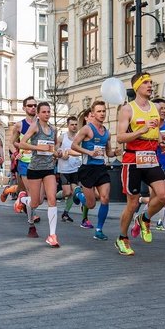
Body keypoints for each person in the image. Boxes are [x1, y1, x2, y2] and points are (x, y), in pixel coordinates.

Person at [115, 72, 165, 256]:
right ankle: (122, 238)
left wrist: (160, 141)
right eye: (146, 82)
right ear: (137, 86)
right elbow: (121, 137)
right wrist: (142, 130)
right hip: (132, 159)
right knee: (132, 203)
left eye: (151, 82)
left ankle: (144, 218)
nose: (150, 85)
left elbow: (156, 130)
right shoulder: (127, 109)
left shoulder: (155, 107)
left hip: (151, 156)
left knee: (163, 195)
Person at [132, 98, 165, 247]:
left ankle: (139, 219)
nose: (162, 111)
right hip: (151, 166)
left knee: (158, 200)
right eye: (160, 108)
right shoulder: (149, 126)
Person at [71, 101, 120, 241]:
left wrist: (116, 152)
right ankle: (78, 193)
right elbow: (74, 145)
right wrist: (88, 151)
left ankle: (99, 230)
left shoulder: (107, 133)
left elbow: (108, 153)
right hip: (88, 169)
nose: (102, 113)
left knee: (105, 198)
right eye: (99, 111)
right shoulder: (87, 129)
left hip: (101, 168)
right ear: (92, 113)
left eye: (104, 111)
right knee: (91, 204)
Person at [18, 102, 61, 247]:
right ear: (38, 113)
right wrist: (38, 147)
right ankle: (23, 199)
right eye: (44, 112)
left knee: (52, 199)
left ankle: (52, 235)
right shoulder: (35, 126)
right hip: (35, 168)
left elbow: (54, 148)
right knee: (35, 202)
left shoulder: (53, 130)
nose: (47, 114)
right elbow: (22, 144)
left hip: (49, 168)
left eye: (48, 111)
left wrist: (57, 153)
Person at [7, 96, 37, 214]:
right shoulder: (19, 125)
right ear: (24, 108)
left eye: (35, 105)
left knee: (25, 189)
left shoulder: (42, 123)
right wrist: (15, 153)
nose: (33, 108)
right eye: (30, 106)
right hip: (24, 161)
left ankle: (16, 195)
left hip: (38, 162)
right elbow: (10, 143)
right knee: (30, 190)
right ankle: (32, 217)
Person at [57, 116, 82, 223]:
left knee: (73, 192)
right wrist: (61, 155)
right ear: (68, 125)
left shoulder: (79, 137)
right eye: (72, 124)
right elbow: (55, 150)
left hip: (76, 168)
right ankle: (53, 195)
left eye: (76, 124)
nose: (74, 126)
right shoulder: (62, 137)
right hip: (64, 169)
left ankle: (65, 213)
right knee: (67, 193)